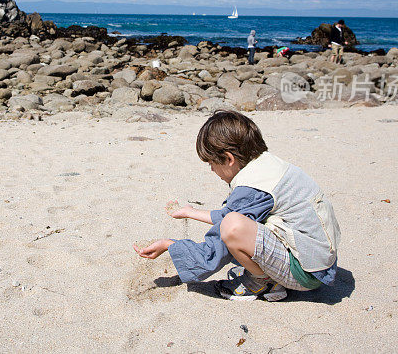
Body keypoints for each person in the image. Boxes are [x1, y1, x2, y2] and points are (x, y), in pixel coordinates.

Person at [133, 110, 340, 301]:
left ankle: (263, 283)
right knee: (234, 222)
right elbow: (237, 212)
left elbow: (219, 243)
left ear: (229, 159)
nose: (212, 170)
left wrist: (171, 245)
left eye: (211, 163)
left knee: (232, 228)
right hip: (319, 261)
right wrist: (191, 212)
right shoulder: (267, 166)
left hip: (307, 273)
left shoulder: (253, 189)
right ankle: (266, 275)